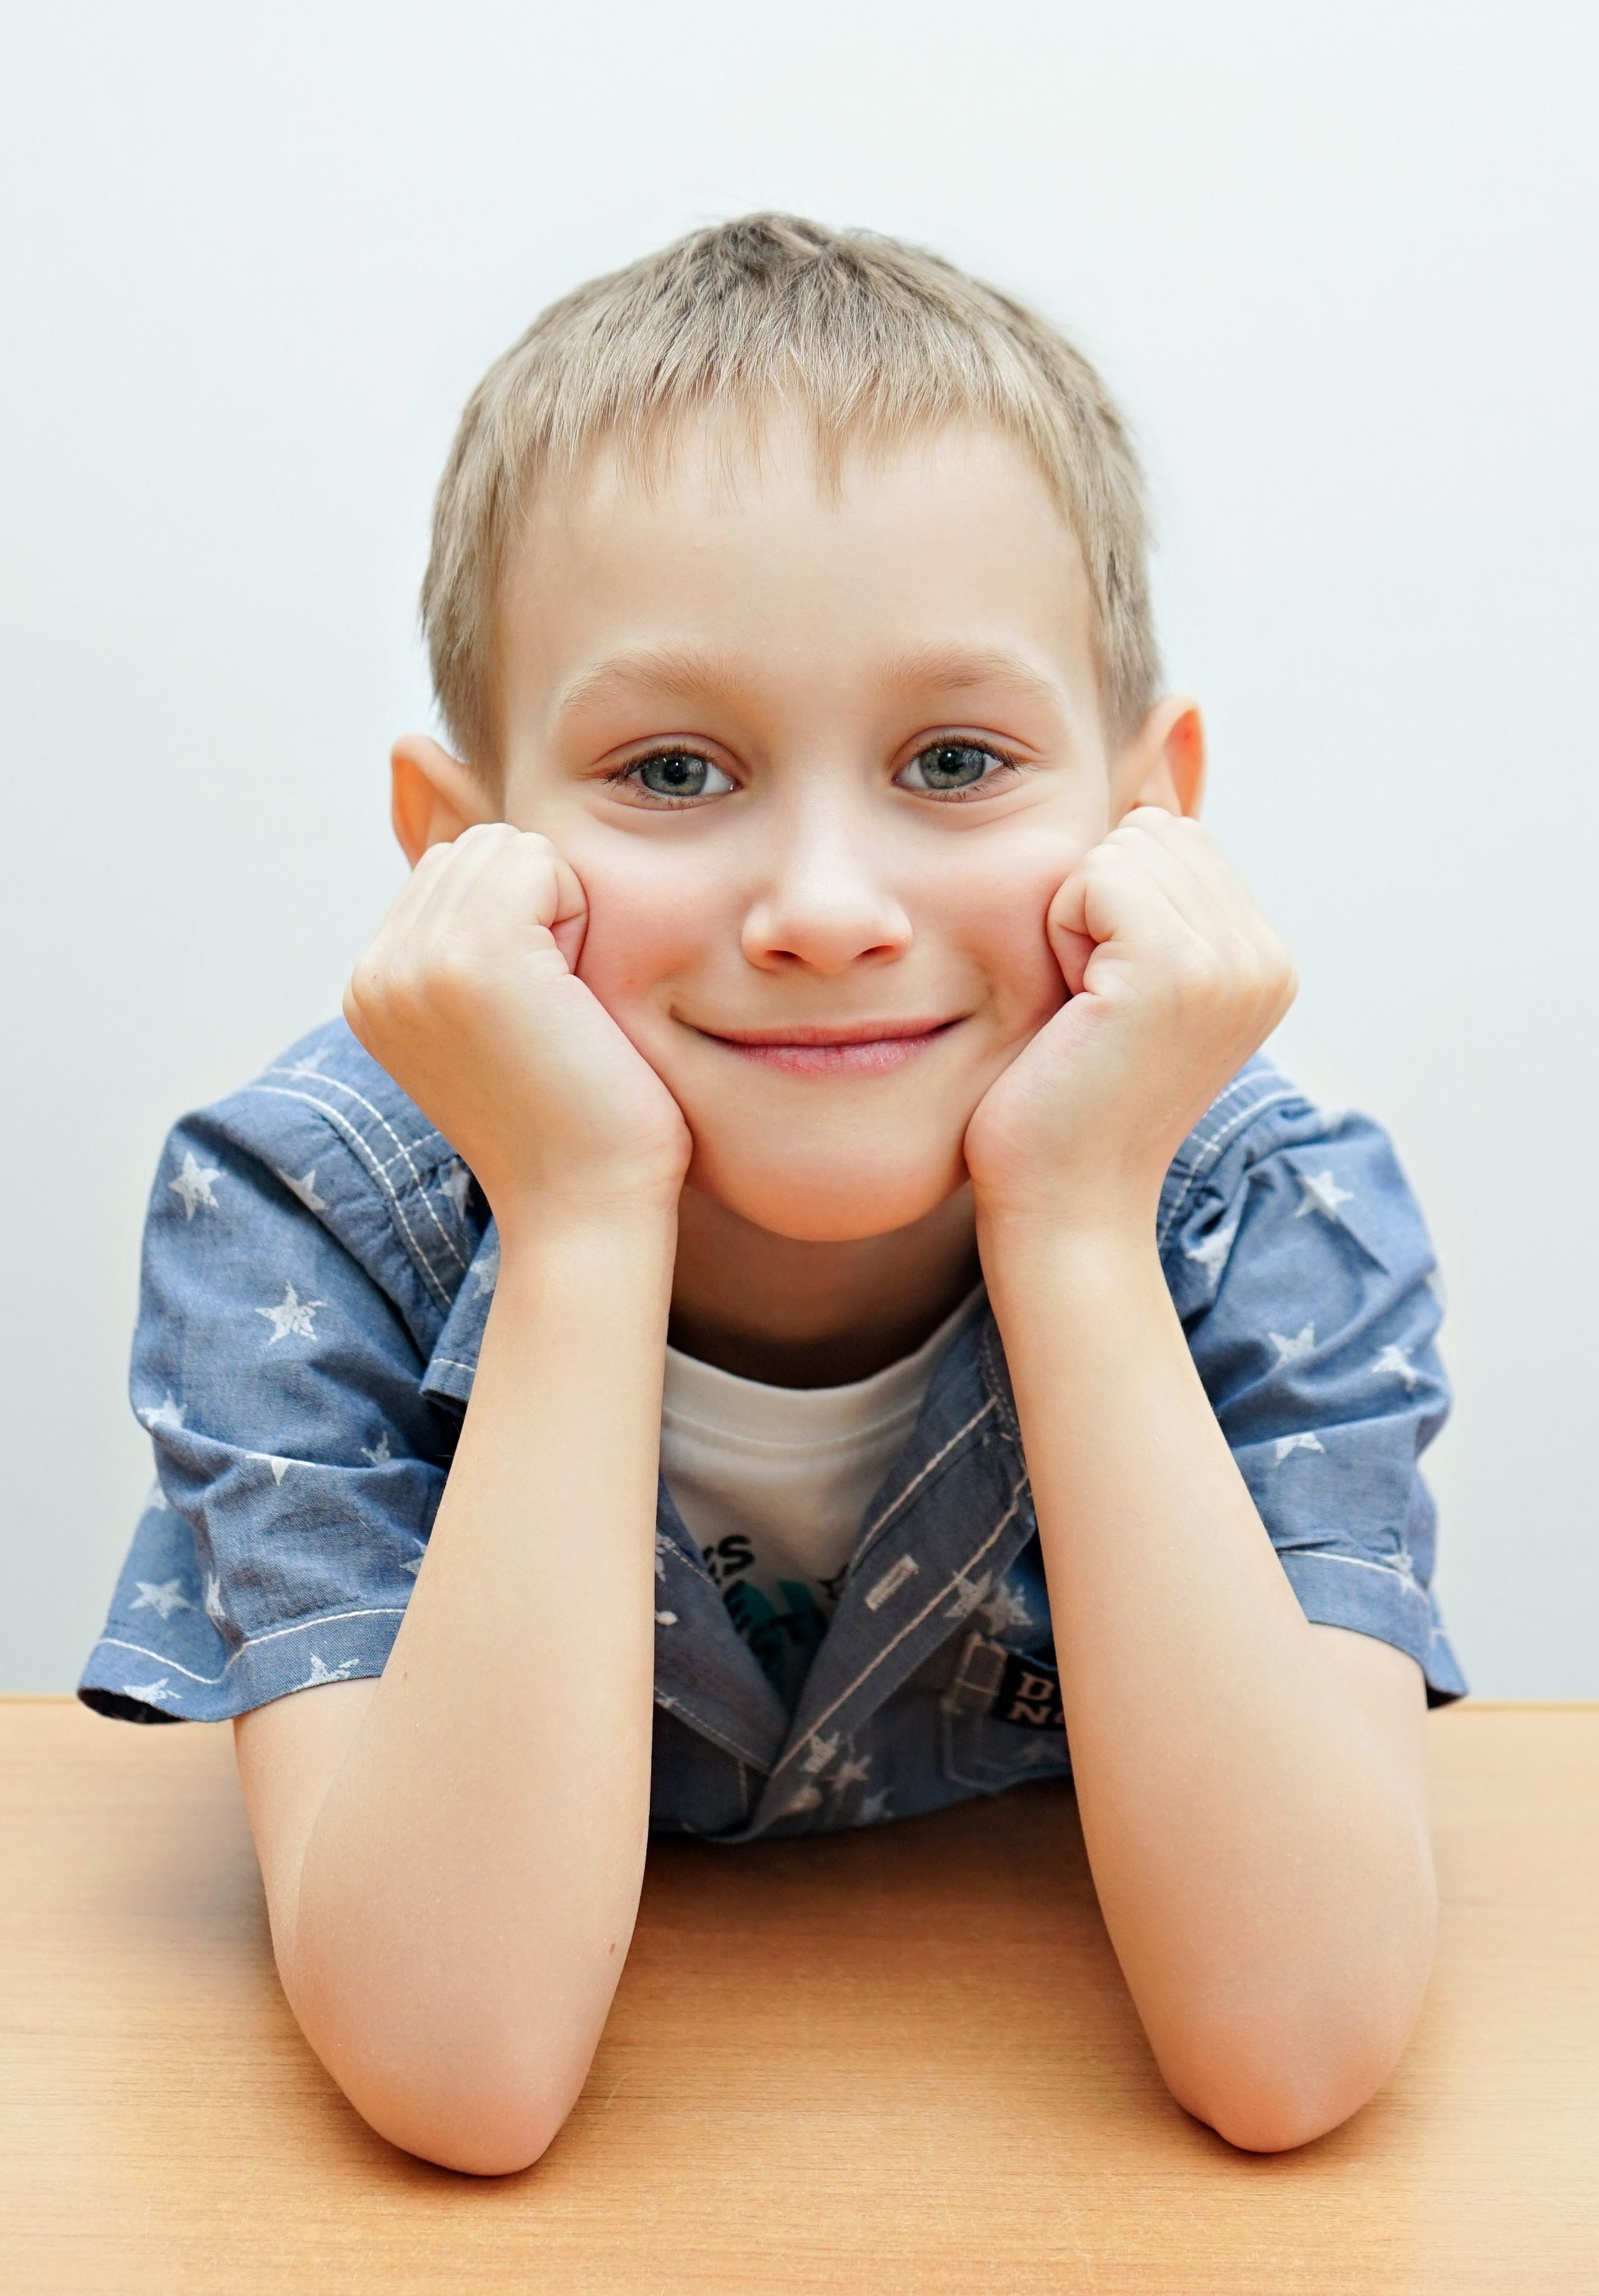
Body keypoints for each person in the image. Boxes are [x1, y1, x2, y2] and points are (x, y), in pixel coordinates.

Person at [80, 215, 1463, 2174]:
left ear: (1148, 816)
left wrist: (1074, 1223)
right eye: (673, 772)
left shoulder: (1265, 1220)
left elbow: (1293, 2046)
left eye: (955, 758)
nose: (825, 908)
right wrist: (579, 1214)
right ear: (459, 849)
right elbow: (461, 2069)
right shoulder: (306, 1222)